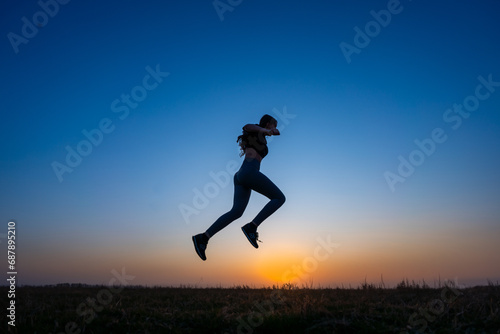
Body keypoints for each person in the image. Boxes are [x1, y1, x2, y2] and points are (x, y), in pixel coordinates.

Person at [192, 114, 286, 261]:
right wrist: (264, 130)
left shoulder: (261, 135)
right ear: (268, 123)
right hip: (249, 172)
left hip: (241, 176)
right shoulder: (255, 129)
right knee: (279, 198)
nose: (275, 127)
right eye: (274, 124)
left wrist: (269, 131)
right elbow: (246, 126)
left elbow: (276, 132)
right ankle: (251, 227)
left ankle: (203, 238)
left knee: (236, 212)